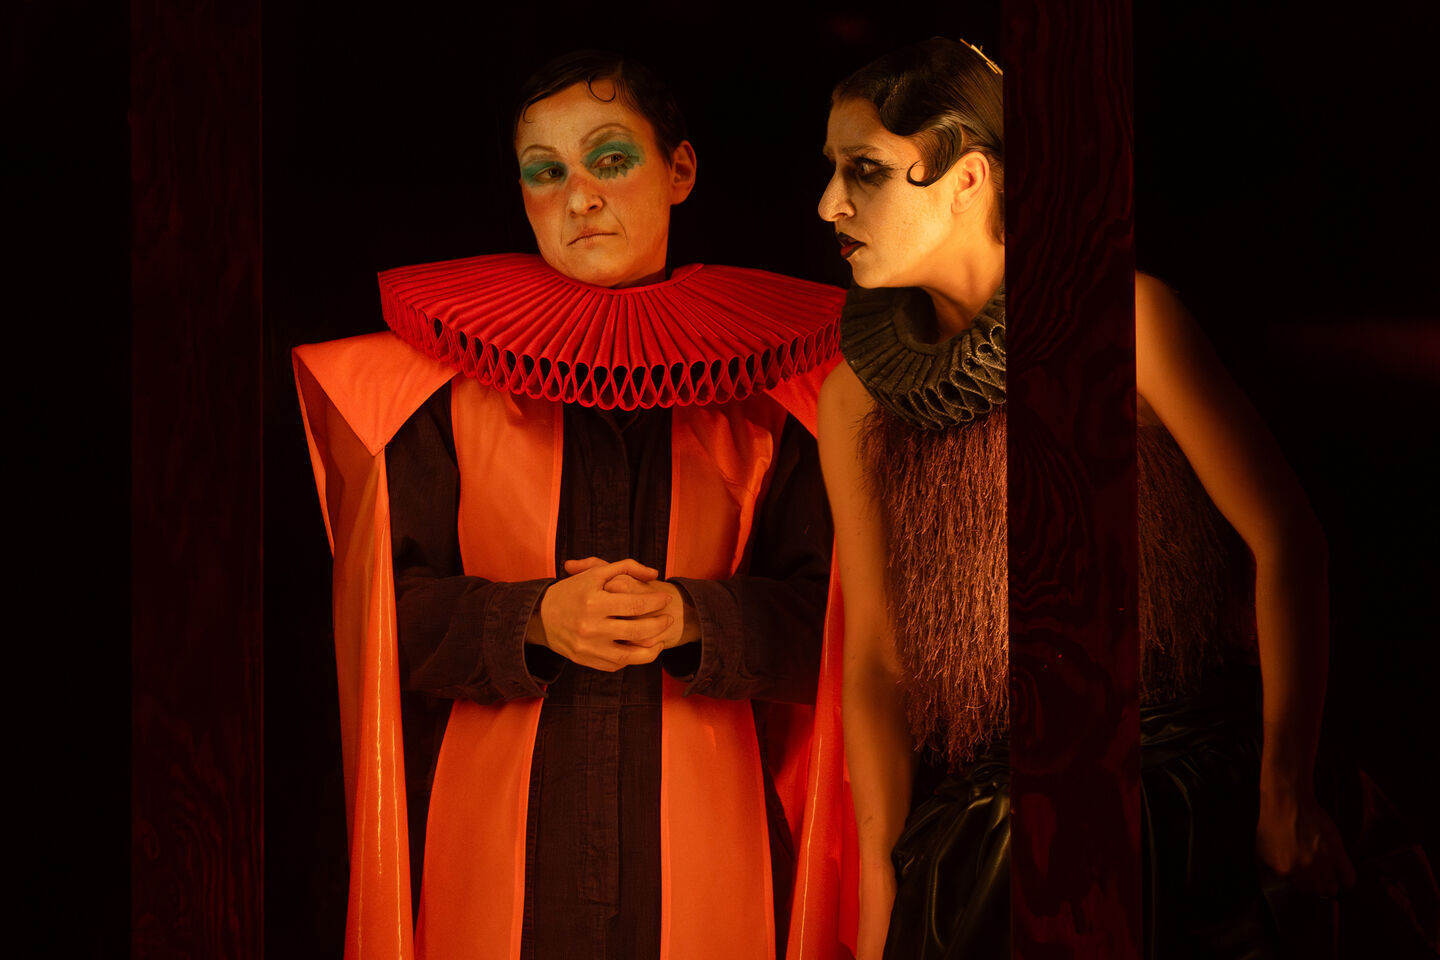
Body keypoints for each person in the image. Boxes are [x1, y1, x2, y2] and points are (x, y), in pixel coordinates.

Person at [812, 37, 1428, 960]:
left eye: (864, 170)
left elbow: (1288, 541)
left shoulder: (1127, 318)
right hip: (991, 833)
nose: (828, 204)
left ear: (968, 177)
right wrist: (878, 882)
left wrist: (1285, 789)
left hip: (1195, 805)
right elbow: (877, 662)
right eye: (832, 169)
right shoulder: (854, 396)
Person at [294, 50, 854, 960]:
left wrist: (693, 617)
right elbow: (381, 623)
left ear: (680, 170)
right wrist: (534, 620)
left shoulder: (781, 397)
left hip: (718, 849)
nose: (579, 197)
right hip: (491, 849)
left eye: (611, 159)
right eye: (545, 172)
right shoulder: (428, 390)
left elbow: (837, 625)